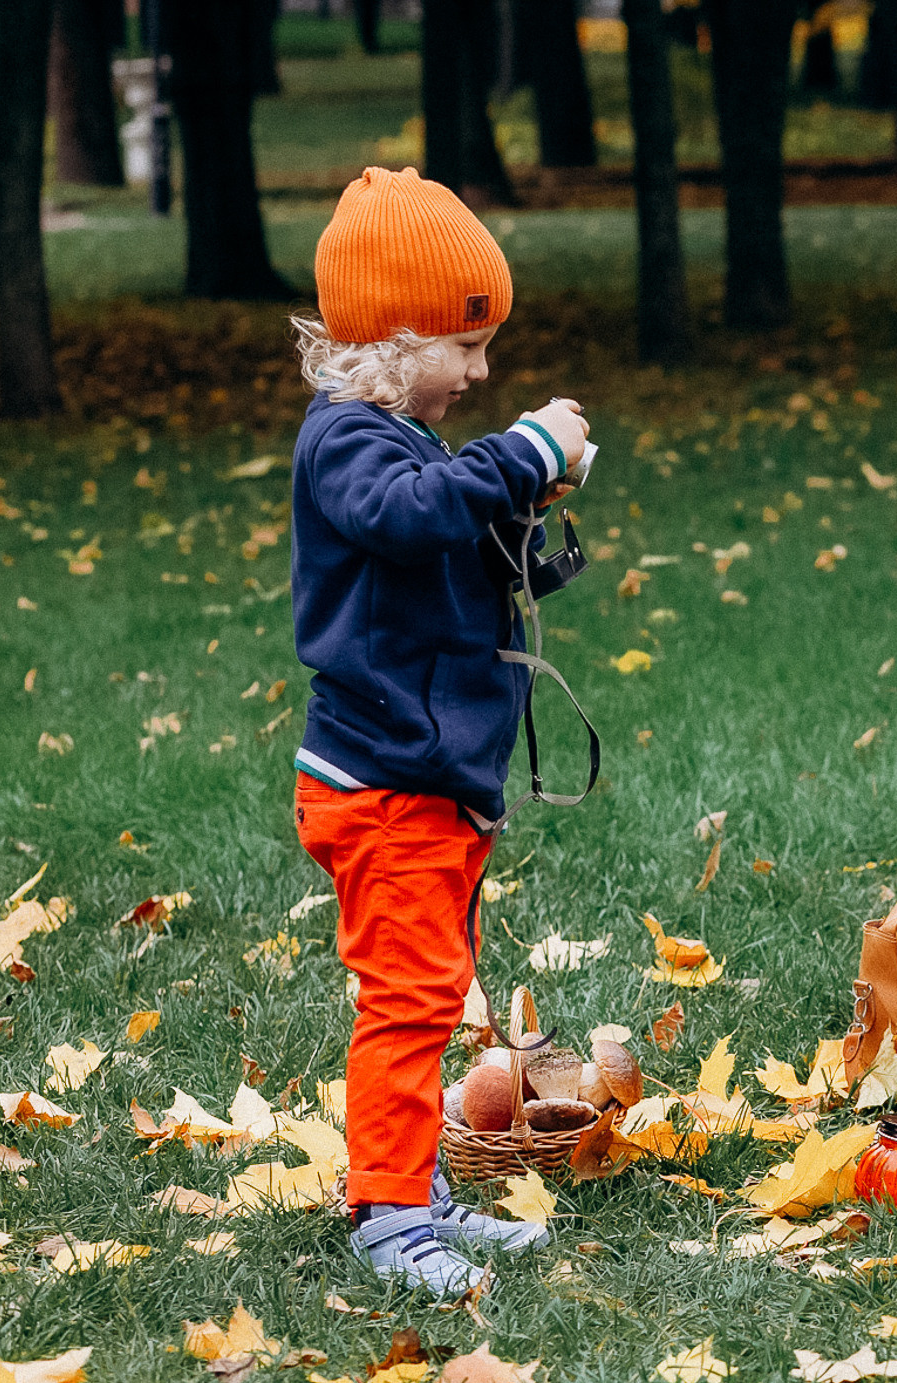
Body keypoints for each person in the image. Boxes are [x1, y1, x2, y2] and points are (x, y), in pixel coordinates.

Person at [288, 166, 592, 1296]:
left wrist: (522, 504)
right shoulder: (349, 444)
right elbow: (405, 517)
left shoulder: (403, 439)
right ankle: (386, 1216)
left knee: (434, 987)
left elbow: (445, 542)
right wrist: (514, 451)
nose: (481, 370)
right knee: (408, 1001)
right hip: (383, 783)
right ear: (388, 330)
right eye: (464, 346)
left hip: (434, 776)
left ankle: (415, 1186)